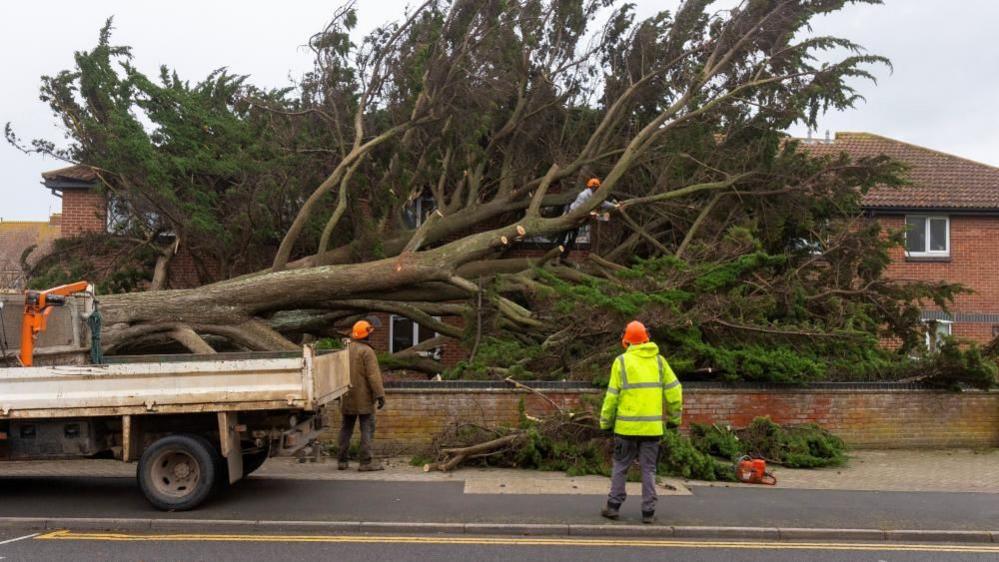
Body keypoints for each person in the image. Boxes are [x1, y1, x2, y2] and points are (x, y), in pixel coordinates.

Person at [599, 320, 682, 524]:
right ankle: (648, 512)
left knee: (620, 466)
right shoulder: (660, 362)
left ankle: (613, 507)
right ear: (647, 338)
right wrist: (674, 419)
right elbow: (675, 392)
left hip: (626, 428)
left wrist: (605, 422)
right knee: (649, 469)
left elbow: (612, 396)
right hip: (652, 429)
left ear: (626, 341)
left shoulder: (621, 362)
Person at [338, 320, 387, 471]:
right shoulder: (367, 351)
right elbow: (373, 376)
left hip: (346, 396)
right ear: (366, 335)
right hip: (364, 398)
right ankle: (365, 462)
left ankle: (342, 461)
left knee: (346, 428)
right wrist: (380, 395)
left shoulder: (345, 350)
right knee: (367, 428)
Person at [558, 177, 618, 259]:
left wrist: (614, 206)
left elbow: (602, 202)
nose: (597, 188)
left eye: (597, 187)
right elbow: (578, 209)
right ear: (591, 187)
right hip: (572, 215)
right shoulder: (583, 195)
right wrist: (590, 213)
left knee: (573, 238)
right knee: (564, 234)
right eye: (596, 187)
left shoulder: (595, 195)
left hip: (581, 217)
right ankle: (557, 251)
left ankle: (563, 257)